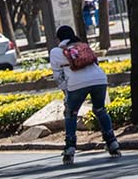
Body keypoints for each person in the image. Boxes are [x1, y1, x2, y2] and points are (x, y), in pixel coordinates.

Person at [49, 25, 120, 164]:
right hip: (99, 79)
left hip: (77, 83)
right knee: (100, 110)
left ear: (59, 38)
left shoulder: (56, 52)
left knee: (71, 113)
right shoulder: (83, 45)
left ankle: (70, 148)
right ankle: (112, 143)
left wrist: (66, 90)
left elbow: (57, 76)